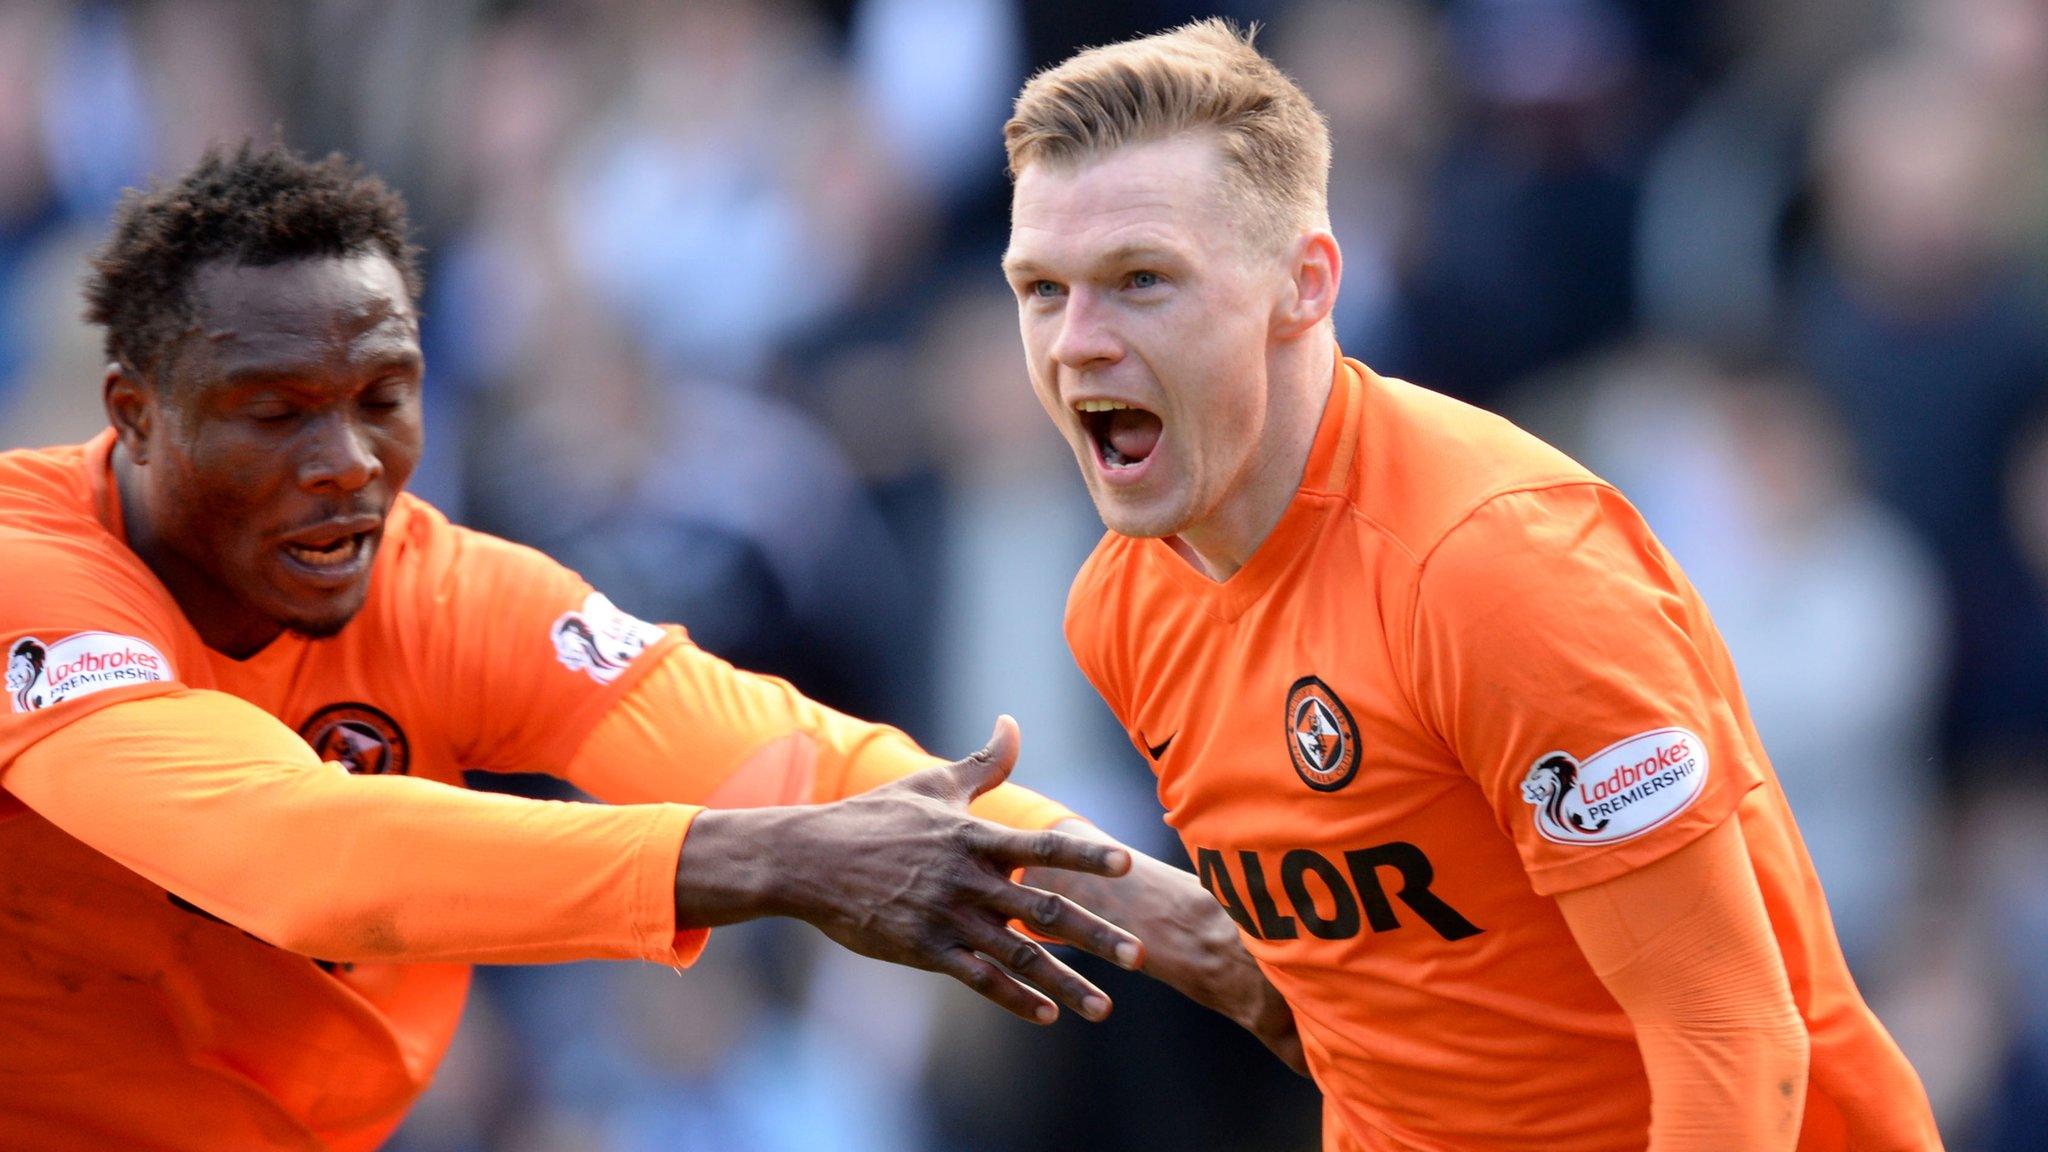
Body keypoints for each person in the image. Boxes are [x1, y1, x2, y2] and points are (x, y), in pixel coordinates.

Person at [0, 142, 1294, 1150]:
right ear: (135, 422)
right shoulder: (30, 578)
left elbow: (779, 754)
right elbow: (289, 851)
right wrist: (772, 864)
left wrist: (1183, 924)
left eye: (376, 400)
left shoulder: (432, 585)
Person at [1002, 19, 1943, 1152]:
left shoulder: (1493, 573)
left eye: (1139, 278)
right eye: (1041, 290)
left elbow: (1729, 1033)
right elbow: (1392, 991)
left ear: (1302, 286)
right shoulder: (1120, 611)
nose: (1075, 343)